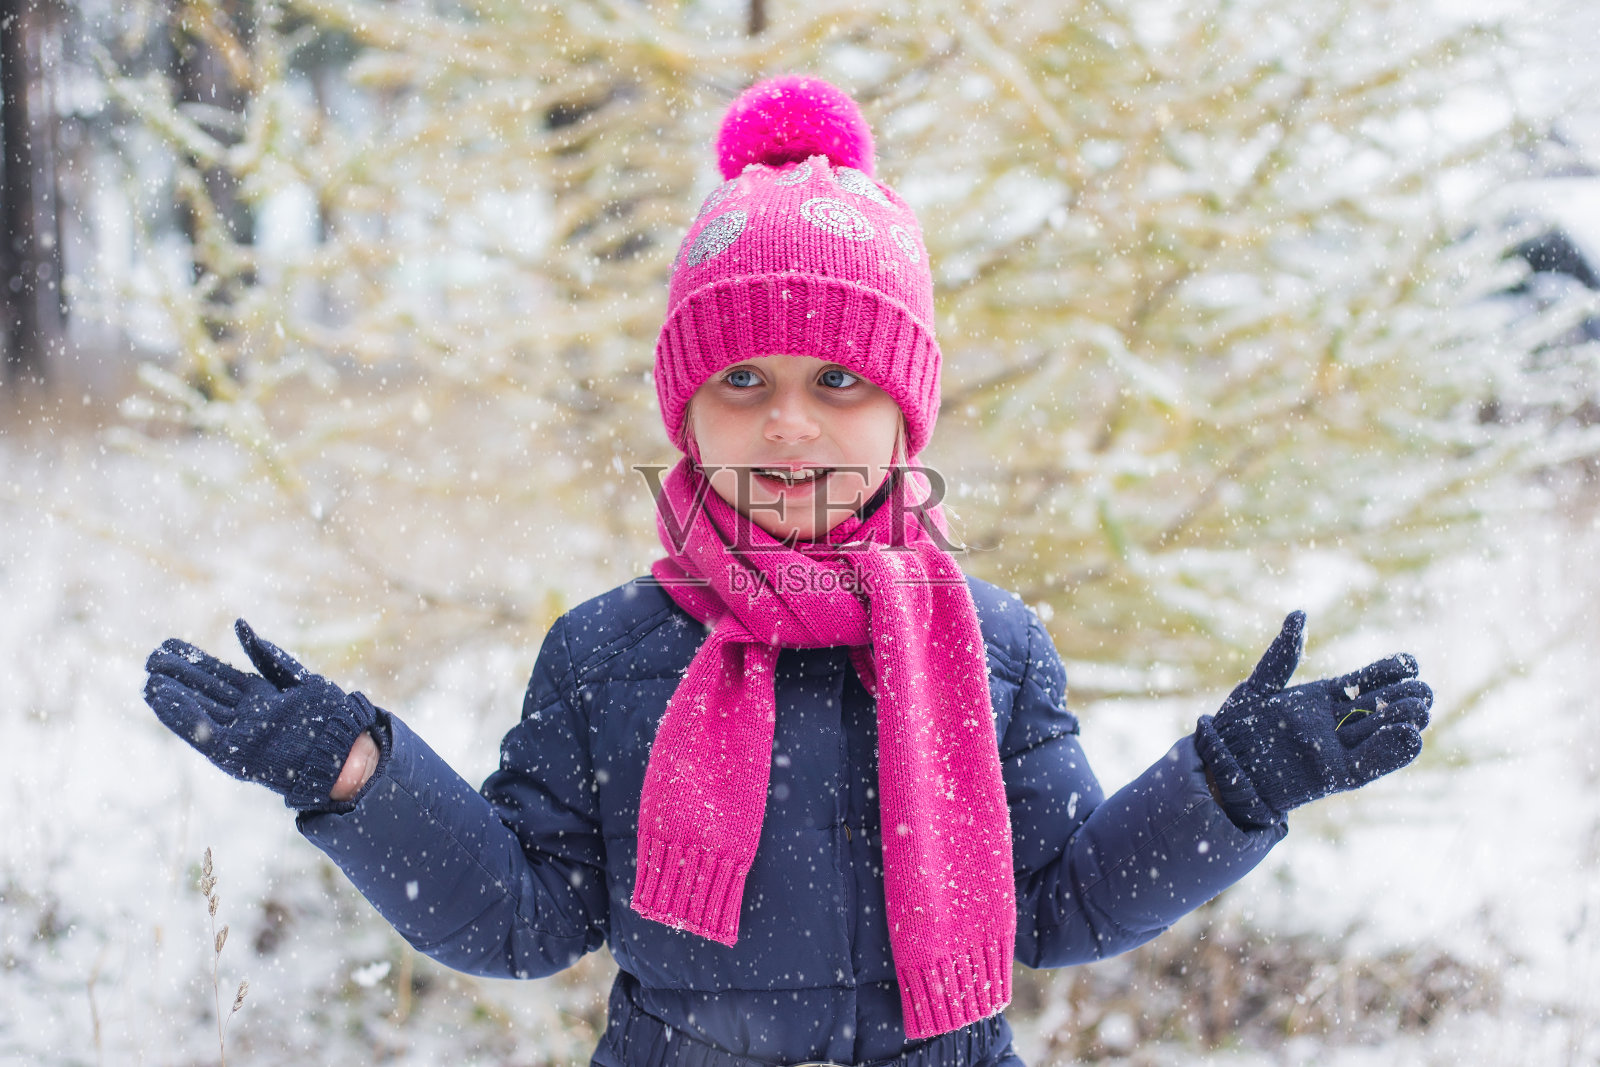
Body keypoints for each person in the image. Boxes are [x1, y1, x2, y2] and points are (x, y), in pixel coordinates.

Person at [142, 75, 1434, 1066]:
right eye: (744, 379)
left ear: (904, 411)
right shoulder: (606, 656)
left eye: (840, 380)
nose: (791, 424)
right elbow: (520, 919)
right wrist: (362, 779)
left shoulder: (988, 648)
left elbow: (1063, 903)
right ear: (687, 408)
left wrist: (1233, 785)